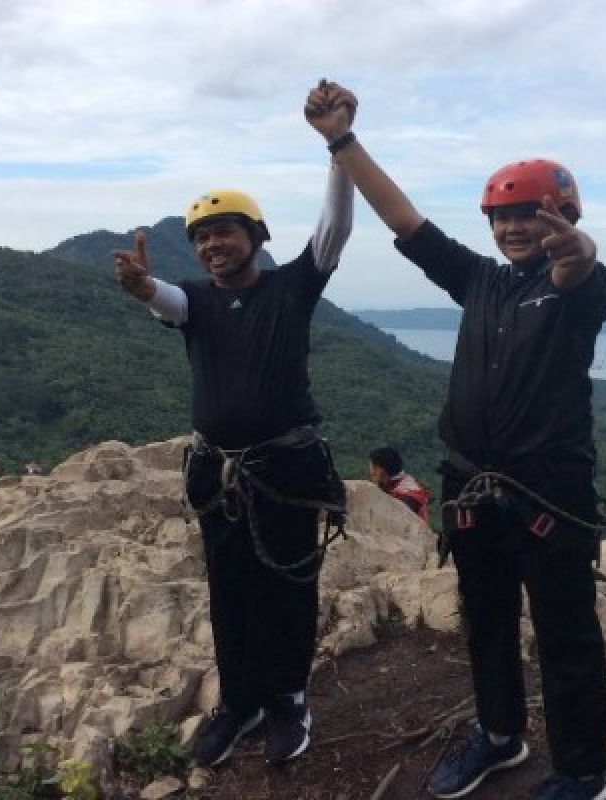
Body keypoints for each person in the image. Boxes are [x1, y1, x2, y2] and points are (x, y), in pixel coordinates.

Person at [305, 82, 606, 800]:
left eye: (530, 217)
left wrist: (578, 247)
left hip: (549, 495)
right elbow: (404, 217)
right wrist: (341, 140)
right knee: (487, 622)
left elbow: (579, 267)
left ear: (562, 217)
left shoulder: (577, 290)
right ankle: (501, 736)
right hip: (472, 490)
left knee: (567, 636)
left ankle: (581, 773)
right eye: (501, 218)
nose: (512, 229)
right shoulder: (479, 281)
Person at [113, 84, 355, 768]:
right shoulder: (193, 302)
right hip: (219, 474)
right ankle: (240, 702)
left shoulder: (290, 289)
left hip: (285, 470)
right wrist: (140, 289)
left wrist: (337, 146)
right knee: (231, 588)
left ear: (255, 238)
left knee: (289, 586)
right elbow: (162, 300)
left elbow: (334, 231)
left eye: (223, 231)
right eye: (201, 236)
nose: (211, 242)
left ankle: (287, 700)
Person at [368, 445, 432, 523]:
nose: (372, 473)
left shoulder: (407, 495)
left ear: (381, 470)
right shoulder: (393, 485)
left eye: (374, 468)